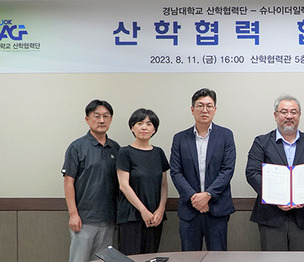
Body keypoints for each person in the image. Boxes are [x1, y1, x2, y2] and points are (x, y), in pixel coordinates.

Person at [246, 95, 304, 251]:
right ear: (275, 115)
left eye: (294, 112)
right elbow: (252, 173)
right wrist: (275, 197)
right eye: (284, 111)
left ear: (299, 115)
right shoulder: (261, 142)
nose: (289, 116)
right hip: (271, 216)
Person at [169, 88, 236, 251]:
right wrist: (195, 198)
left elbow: (227, 170)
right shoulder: (180, 138)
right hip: (189, 210)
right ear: (192, 110)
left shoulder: (225, 135)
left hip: (217, 209)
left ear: (215, 109)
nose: (204, 110)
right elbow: (176, 172)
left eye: (209, 106)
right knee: (189, 257)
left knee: (218, 258)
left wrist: (207, 195)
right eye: (200, 106)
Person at [61, 99, 120, 262]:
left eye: (106, 116)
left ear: (111, 119)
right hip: (84, 220)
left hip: (108, 219)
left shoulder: (116, 148)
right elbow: (68, 182)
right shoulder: (77, 147)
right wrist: (73, 214)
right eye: (97, 116)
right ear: (87, 119)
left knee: (102, 260)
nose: (102, 120)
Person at [116, 108, 169, 255]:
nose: (144, 127)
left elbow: (164, 184)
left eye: (149, 124)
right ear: (132, 127)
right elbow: (124, 186)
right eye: (139, 123)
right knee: (131, 257)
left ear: (154, 129)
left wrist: (161, 209)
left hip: (155, 217)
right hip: (131, 216)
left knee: (151, 256)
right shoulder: (125, 152)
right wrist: (144, 211)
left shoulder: (158, 153)